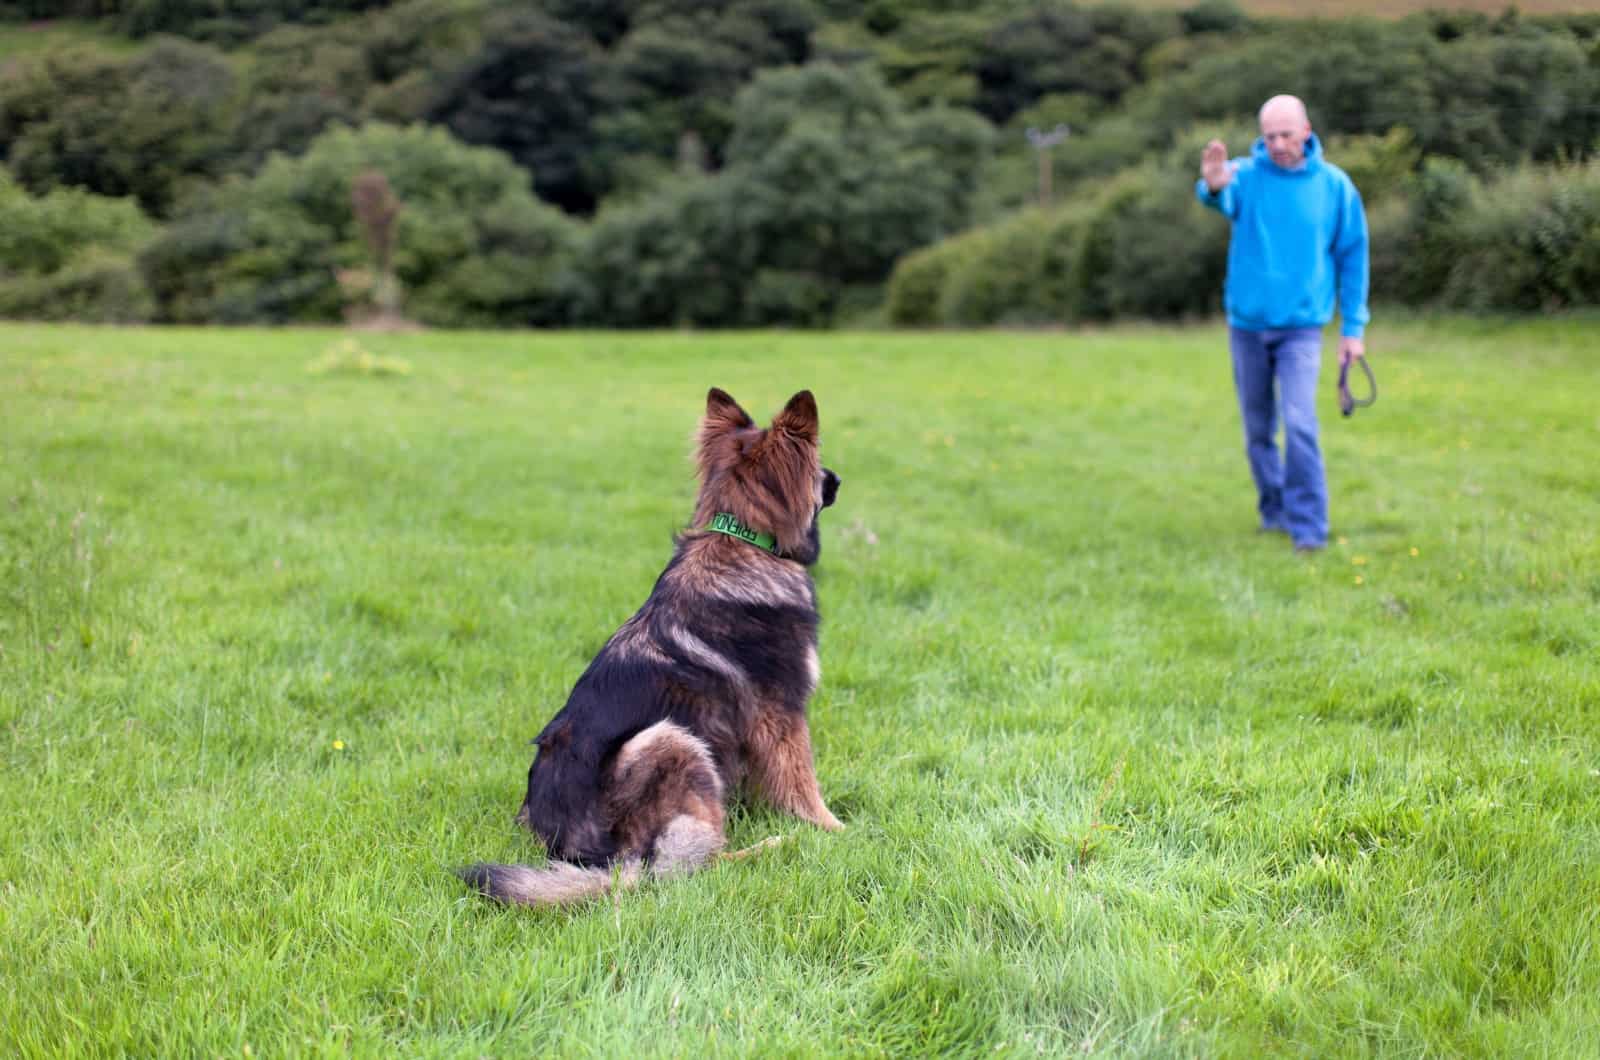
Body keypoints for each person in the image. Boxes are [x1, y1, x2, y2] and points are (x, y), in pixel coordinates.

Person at [1196, 94, 1369, 554]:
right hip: (1247, 325)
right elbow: (1218, 193)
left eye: (1286, 134)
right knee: (1258, 430)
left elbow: (1354, 257)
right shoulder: (1246, 176)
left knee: (1300, 424)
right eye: (1269, 135)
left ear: (1307, 130)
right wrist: (1212, 185)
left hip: (1302, 328)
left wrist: (1353, 329)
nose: (1277, 144)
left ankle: (1309, 528)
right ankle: (1274, 511)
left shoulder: (1334, 186)